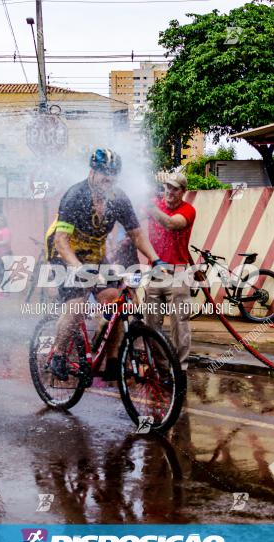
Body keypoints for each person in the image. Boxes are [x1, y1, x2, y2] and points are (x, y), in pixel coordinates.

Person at [45, 148, 163, 382]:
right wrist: (78, 268)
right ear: (92, 172)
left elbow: (138, 235)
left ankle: (112, 361)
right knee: (77, 304)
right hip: (65, 253)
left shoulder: (118, 198)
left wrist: (156, 259)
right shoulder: (75, 196)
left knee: (115, 300)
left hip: (94, 254)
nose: (108, 178)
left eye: (113, 174)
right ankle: (58, 354)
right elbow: (61, 241)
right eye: (103, 173)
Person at [145, 172, 196, 370]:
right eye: (167, 187)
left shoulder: (188, 210)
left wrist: (149, 208)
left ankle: (180, 369)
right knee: (150, 325)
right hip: (155, 273)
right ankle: (162, 368)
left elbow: (172, 224)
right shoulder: (154, 203)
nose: (170, 191)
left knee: (179, 324)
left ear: (183, 191)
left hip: (178, 273)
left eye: (175, 188)